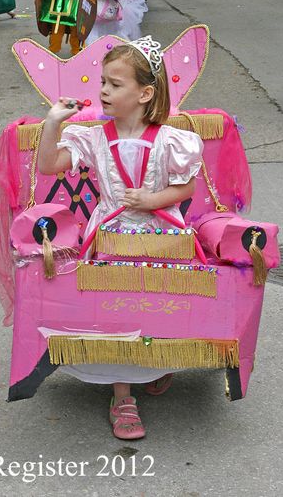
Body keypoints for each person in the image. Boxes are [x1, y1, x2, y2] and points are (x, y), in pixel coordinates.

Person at [37, 36, 203, 439]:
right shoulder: (93, 137)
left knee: (159, 305)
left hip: (160, 235)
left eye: (115, 84)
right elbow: (48, 166)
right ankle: (122, 393)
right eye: (104, 83)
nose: (104, 91)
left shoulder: (171, 140)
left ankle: (151, 365)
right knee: (116, 312)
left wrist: (152, 199)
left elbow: (186, 190)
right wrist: (53, 122)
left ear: (145, 93)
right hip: (111, 237)